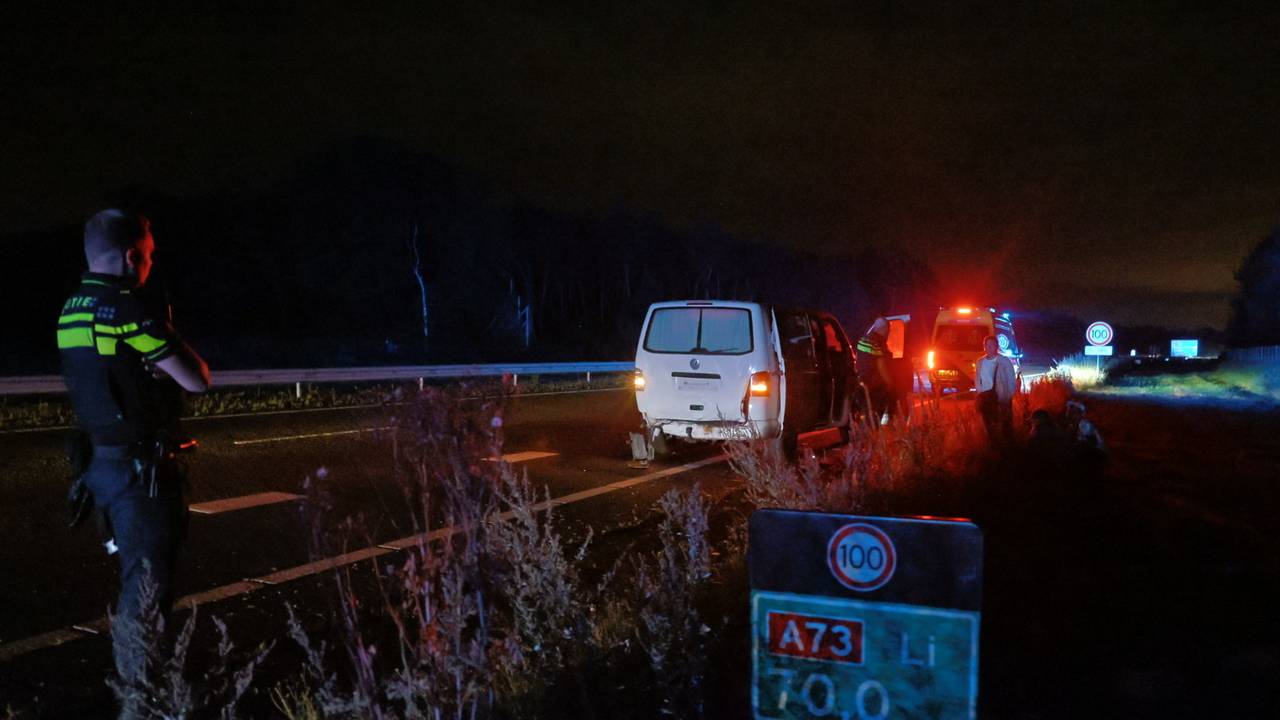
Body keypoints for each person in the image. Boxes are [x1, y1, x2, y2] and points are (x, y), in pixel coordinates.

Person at [56, 209, 210, 698]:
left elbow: (106, 371)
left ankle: (142, 688)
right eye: (148, 254)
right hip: (139, 472)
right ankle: (143, 699)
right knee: (146, 590)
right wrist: (165, 338)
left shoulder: (72, 308)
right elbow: (197, 378)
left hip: (100, 464)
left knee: (134, 579)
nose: (150, 263)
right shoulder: (127, 308)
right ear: (130, 256)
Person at [975, 334, 1016, 447]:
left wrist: (1008, 396)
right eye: (986, 345)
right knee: (988, 424)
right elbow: (978, 378)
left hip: (1001, 397)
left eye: (991, 345)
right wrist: (980, 392)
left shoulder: (1004, 361)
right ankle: (993, 446)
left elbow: (1011, 379)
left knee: (1005, 424)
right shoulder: (980, 362)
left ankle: (1008, 447)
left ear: (996, 346)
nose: (988, 348)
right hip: (986, 397)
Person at [855, 317, 895, 424]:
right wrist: (889, 382)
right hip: (875, 384)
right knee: (882, 407)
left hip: (861, 380)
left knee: (866, 409)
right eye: (889, 330)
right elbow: (881, 366)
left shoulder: (863, 339)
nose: (889, 333)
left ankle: (865, 430)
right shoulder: (878, 343)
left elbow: (859, 360)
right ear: (885, 329)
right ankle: (883, 427)